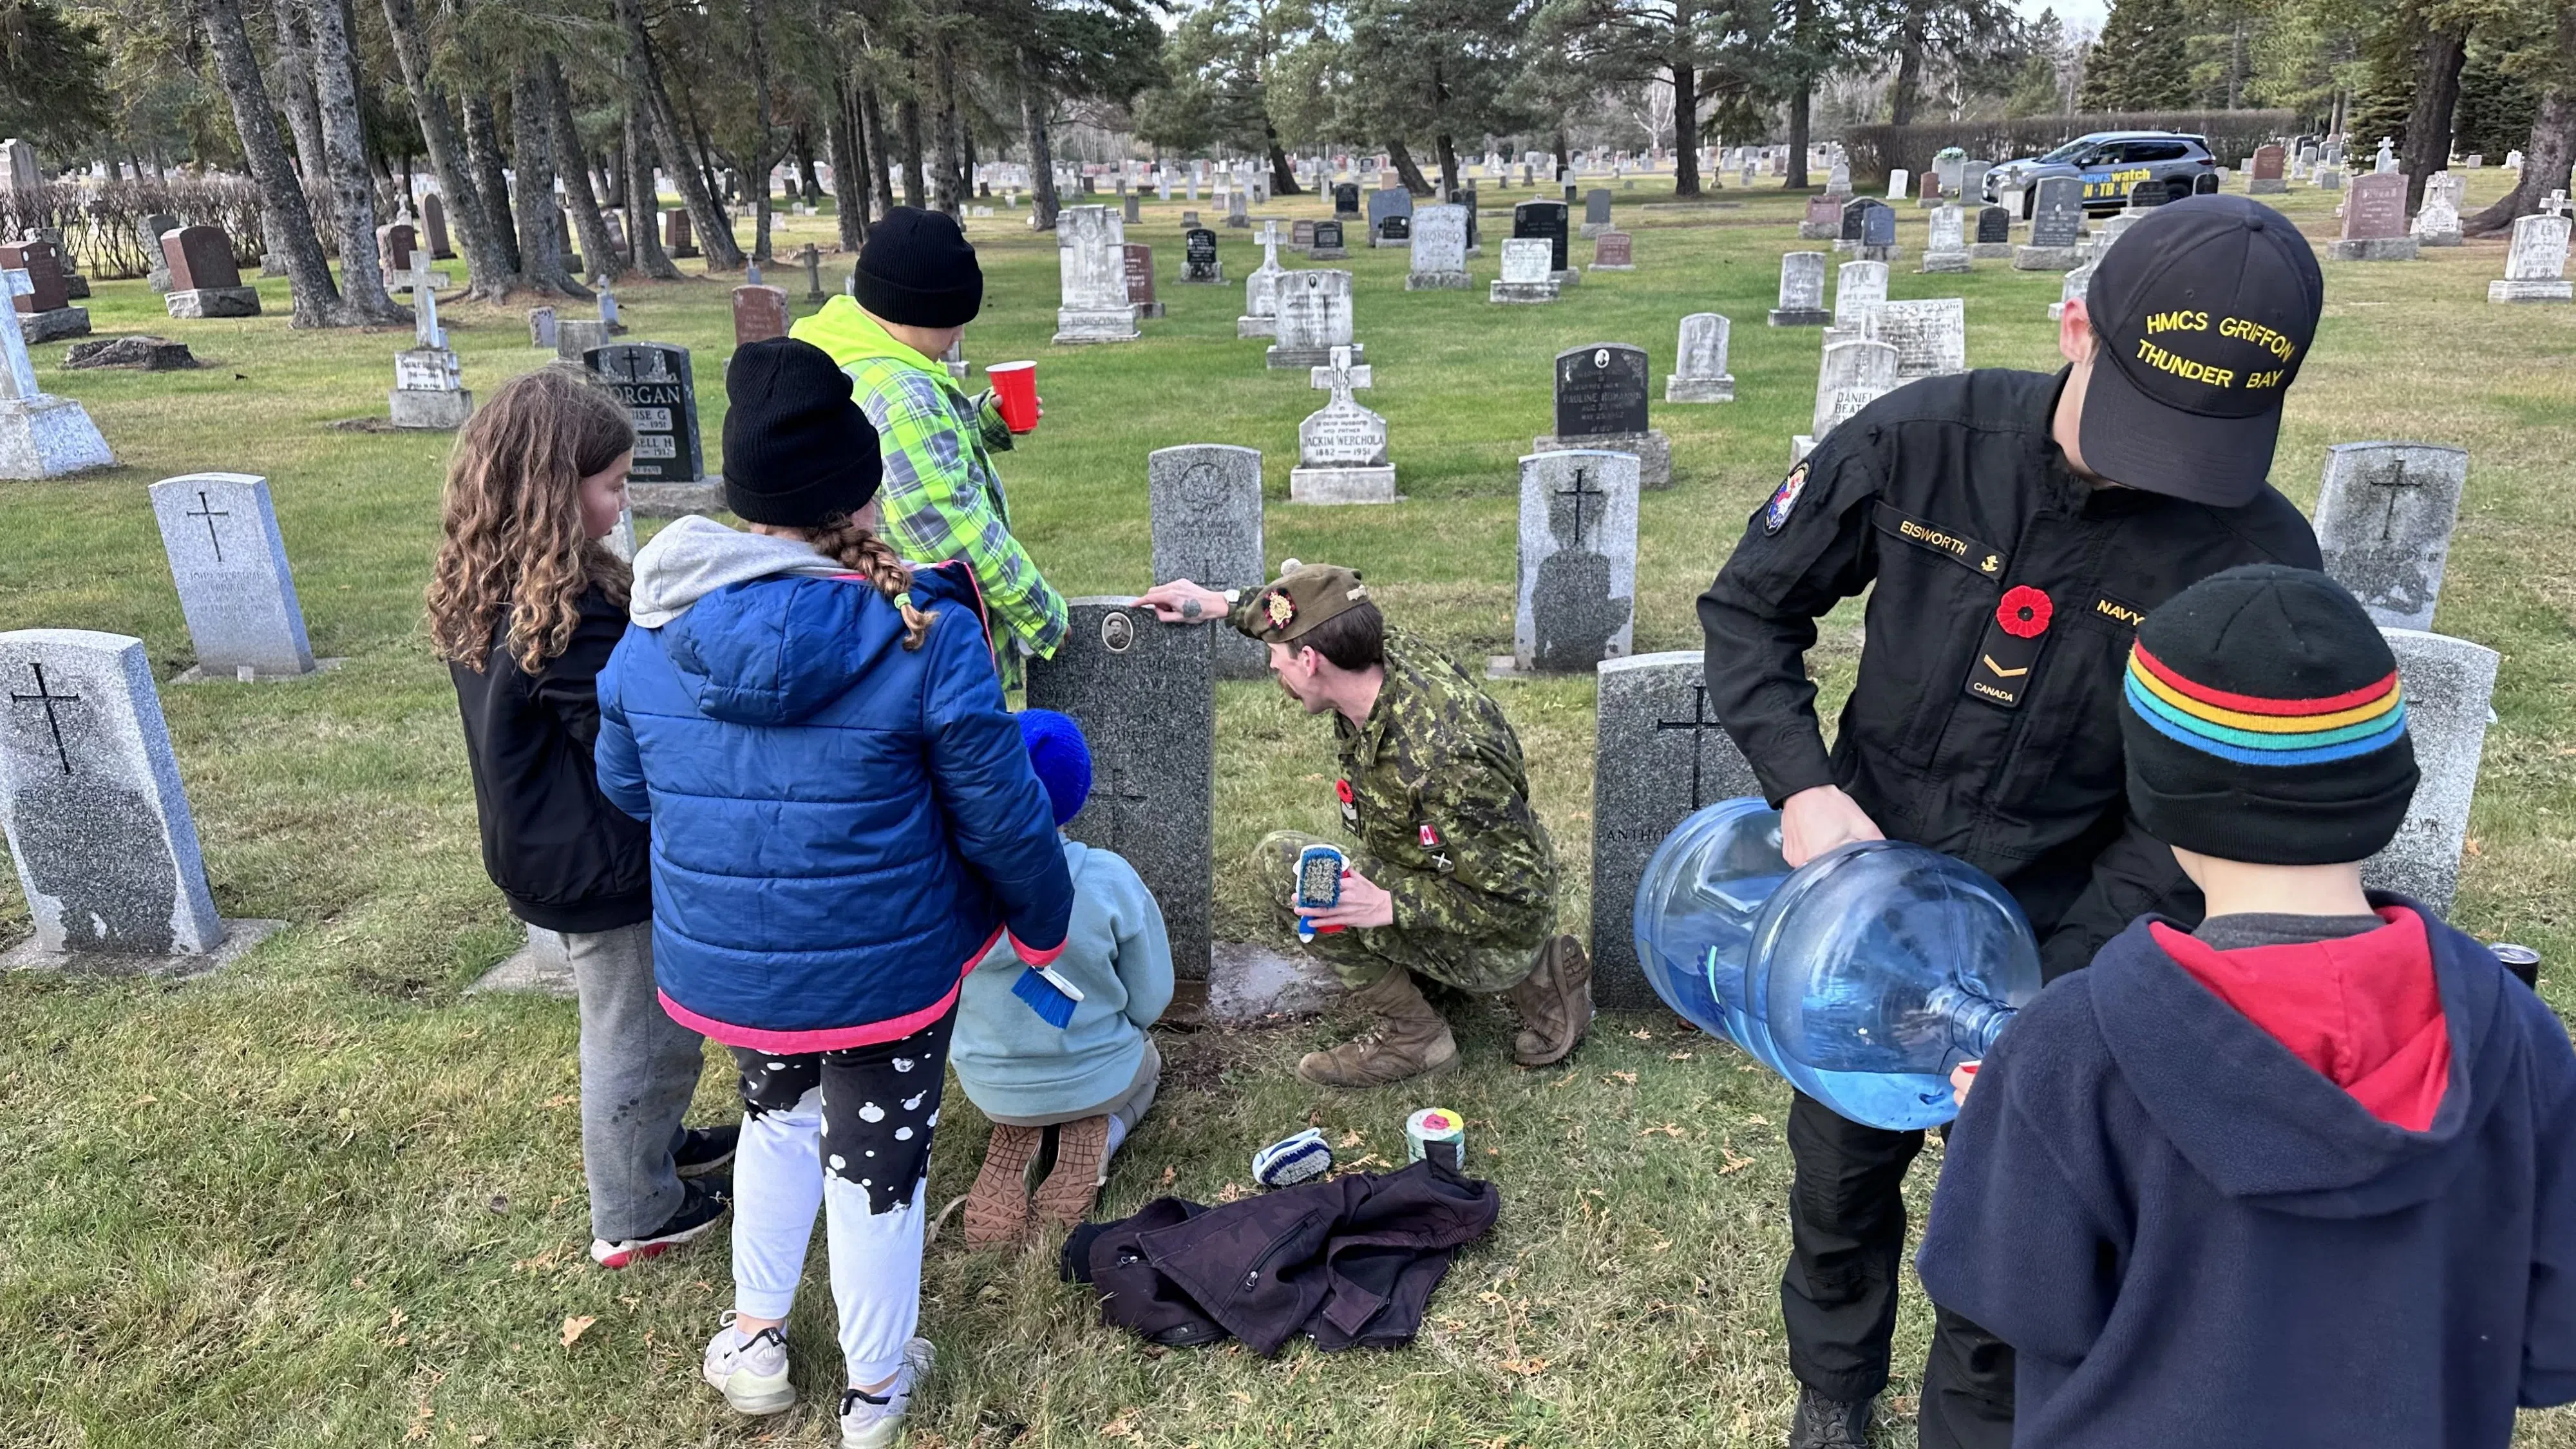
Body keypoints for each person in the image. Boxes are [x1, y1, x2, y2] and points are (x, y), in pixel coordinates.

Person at [1696, 193, 2329, 1449]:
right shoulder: (1919, 441)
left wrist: (2058, 988)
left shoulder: (2256, 557)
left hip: (2079, 934)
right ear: (2075, 327)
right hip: (1865, 915)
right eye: (2148, 419)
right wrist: (1803, 786)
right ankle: (1832, 1393)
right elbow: (1747, 611)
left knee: (2029, 1232)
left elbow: (2201, 803)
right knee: (1837, 1176)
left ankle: (1974, 1424)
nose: (2162, 468)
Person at [1917, 565, 2576, 1447]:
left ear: (2154, 789)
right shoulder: (2515, 1033)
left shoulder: (2068, 1050)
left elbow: (2009, 1298)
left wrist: (2007, 1117)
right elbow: (2549, 1344)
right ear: (2388, 784)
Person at [594, 339, 1073, 1448]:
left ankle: (756, 1338)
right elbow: (999, 812)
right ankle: (874, 1387)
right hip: (887, 966)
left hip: (743, 963)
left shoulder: (652, 633)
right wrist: (1043, 924)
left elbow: (628, 787)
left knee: (775, 1119)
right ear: (864, 494)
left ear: (743, 497)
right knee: (879, 1164)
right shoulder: (929, 633)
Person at [428, 366, 732, 1271]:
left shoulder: (495, 580)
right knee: (641, 1031)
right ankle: (637, 1208)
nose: (623, 497)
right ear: (557, 493)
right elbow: (630, 743)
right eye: (611, 484)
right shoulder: (572, 615)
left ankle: (655, 1143)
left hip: (543, 845)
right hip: (604, 864)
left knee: (635, 1024)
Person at [1135, 564, 1589, 1087]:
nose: (1271, 668)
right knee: (1346, 875)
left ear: (1309, 661)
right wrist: (1217, 604)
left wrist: (1388, 905)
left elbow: (1515, 898)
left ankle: (1422, 1035)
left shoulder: (1443, 763)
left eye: (1276, 658)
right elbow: (1314, 602)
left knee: (1288, 868)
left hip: (1495, 925)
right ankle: (1514, 980)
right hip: (1438, 864)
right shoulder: (1375, 649)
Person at [788, 205, 1065, 688]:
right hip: (931, 636)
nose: (960, 334)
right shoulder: (903, 395)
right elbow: (949, 524)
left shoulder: (842, 351)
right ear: (918, 309)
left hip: (866, 626)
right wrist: (1046, 617)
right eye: (954, 320)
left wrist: (981, 422)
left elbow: (902, 463)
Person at [952, 708, 1173, 1245]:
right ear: (1078, 790)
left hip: (989, 1080)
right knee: (1151, 1064)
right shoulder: (1108, 878)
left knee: (1016, 1095)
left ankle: (1020, 1133)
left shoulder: (946, 883)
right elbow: (1152, 998)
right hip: (1099, 1072)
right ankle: (1104, 1137)